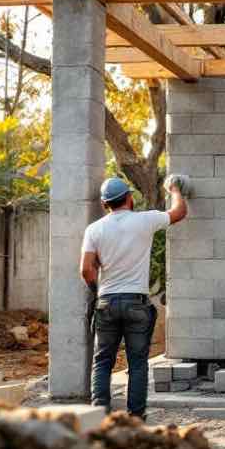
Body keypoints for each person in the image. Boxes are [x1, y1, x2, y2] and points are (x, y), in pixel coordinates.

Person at [80, 176, 187, 418]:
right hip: (136, 304)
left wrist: (98, 291)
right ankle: (135, 418)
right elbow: (179, 212)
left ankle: (98, 417)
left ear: (105, 204)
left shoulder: (94, 230)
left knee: (103, 361)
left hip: (107, 302)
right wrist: (175, 189)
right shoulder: (144, 221)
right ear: (129, 198)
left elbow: (86, 269)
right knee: (137, 363)